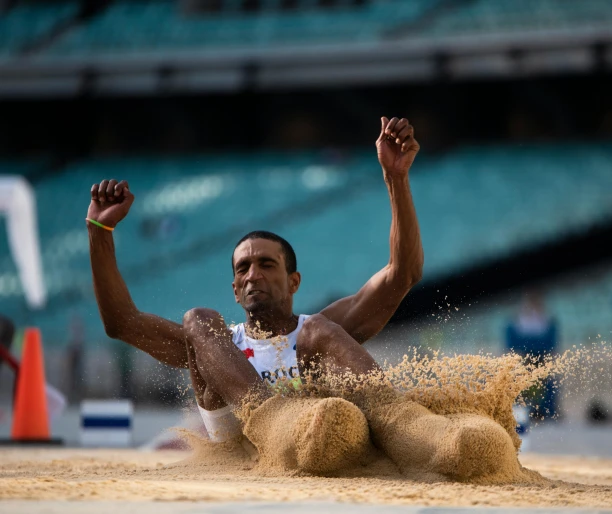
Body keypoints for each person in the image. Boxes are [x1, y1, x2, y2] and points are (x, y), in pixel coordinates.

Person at [86, 117, 517, 479]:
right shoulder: (217, 344)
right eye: (243, 269)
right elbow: (120, 322)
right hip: (247, 447)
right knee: (197, 319)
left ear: (294, 281)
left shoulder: (318, 331)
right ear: (235, 291)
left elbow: (403, 274)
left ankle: (412, 430)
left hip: (321, 437)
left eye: (267, 265)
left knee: (319, 334)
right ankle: (273, 419)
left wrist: (396, 178)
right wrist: (99, 233)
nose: (253, 274)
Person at [505, 291, 558, 422]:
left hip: (541, 356)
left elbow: (552, 343)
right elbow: (511, 343)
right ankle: (522, 409)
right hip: (523, 357)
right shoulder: (517, 320)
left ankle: (543, 410)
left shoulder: (547, 320)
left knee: (547, 378)